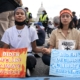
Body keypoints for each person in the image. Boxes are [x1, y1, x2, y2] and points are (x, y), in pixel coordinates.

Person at [1, 7, 43, 77]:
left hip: (27, 55)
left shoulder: (32, 30)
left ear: (25, 17)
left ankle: (21, 68)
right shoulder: (8, 31)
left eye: (22, 14)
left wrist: (44, 50)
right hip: (13, 56)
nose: (19, 15)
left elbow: (34, 48)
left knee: (30, 60)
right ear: (14, 16)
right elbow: (4, 49)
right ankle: (23, 69)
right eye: (17, 14)